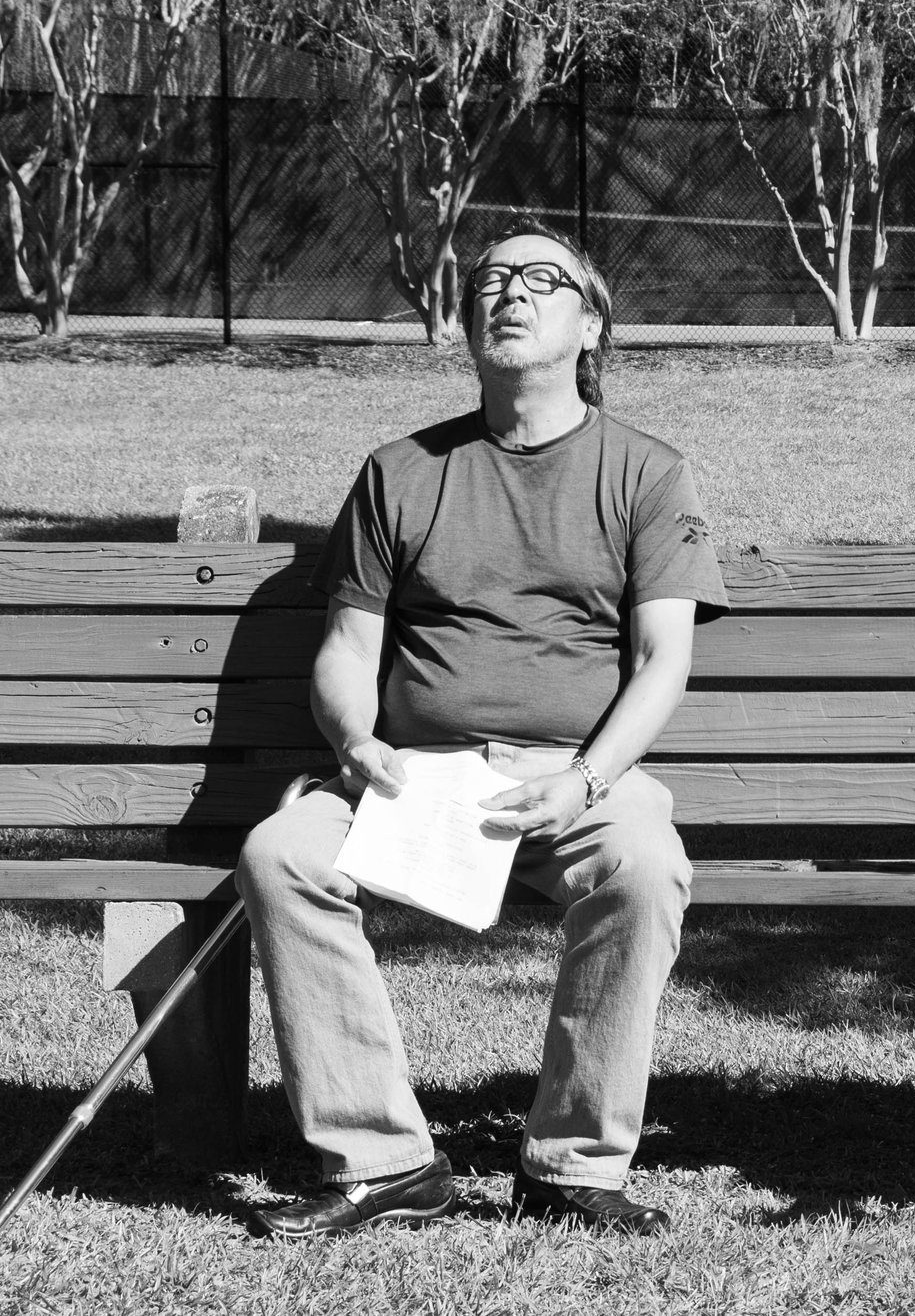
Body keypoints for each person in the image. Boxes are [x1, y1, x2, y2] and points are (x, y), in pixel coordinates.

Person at [236, 223, 729, 1240]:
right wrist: (355, 740)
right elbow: (345, 646)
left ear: (588, 322)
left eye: (541, 279)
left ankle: (572, 1166)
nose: (510, 292)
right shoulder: (402, 470)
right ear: (465, 321)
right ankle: (382, 1162)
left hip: (574, 781)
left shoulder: (646, 471)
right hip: (415, 778)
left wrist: (585, 781)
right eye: (491, 279)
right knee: (282, 851)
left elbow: (660, 662)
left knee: (643, 863)